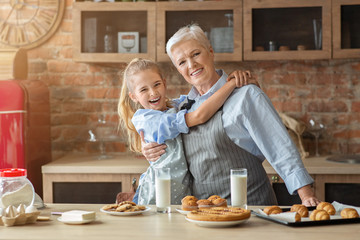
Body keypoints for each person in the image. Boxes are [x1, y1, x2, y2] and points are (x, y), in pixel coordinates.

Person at [141, 24, 321, 207]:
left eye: (196, 54)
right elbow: (155, 128)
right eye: (182, 62)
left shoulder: (246, 95)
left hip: (250, 209)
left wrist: (305, 194)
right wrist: (147, 147)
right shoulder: (181, 108)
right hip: (203, 214)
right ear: (178, 70)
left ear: (210, 51)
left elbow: (280, 148)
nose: (191, 64)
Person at [118, 58, 254, 205]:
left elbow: (204, 98)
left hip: (181, 191)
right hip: (156, 193)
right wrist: (231, 84)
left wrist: (239, 81)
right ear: (134, 96)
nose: (153, 92)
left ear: (164, 83)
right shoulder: (146, 119)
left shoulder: (175, 106)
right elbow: (199, 115)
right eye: (144, 89)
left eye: (157, 84)